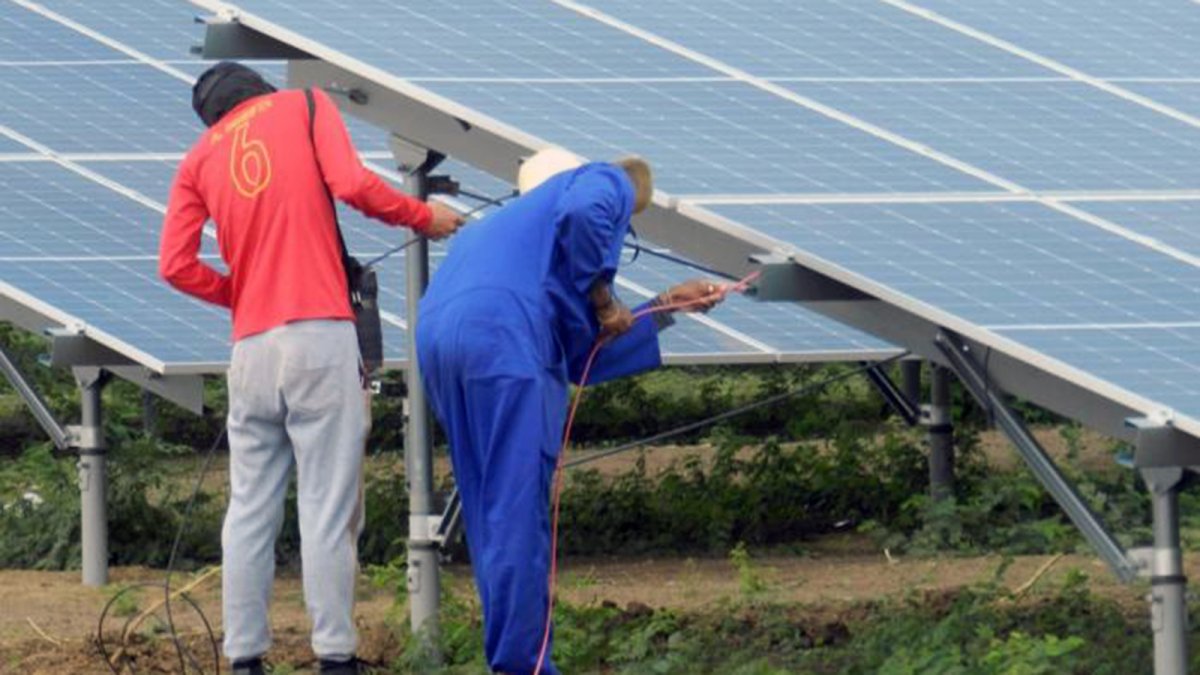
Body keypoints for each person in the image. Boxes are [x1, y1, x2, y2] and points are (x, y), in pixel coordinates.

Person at [158, 62, 463, 675]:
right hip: (320, 336)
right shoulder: (304, 106)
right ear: (258, 91)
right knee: (327, 507)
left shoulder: (196, 160)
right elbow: (350, 184)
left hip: (251, 350)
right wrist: (423, 216)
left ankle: (245, 658)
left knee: (248, 508)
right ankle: (334, 656)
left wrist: (238, 293)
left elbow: (174, 264)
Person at [416, 147, 725, 674]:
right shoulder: (596, 183)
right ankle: (524, 666)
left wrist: (666, 305)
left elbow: (576, 358)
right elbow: (588, 211)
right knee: (516, 508)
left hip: (442, 340)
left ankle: (512, 658)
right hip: (504, 338)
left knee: (492, 508)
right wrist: (604, 298)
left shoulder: (500, 241)